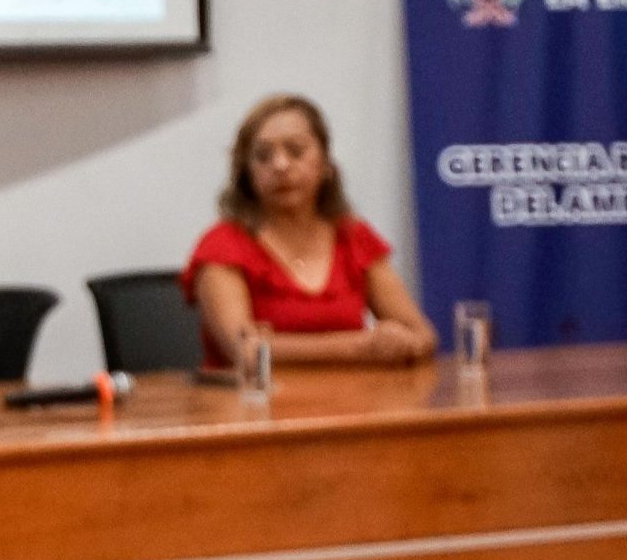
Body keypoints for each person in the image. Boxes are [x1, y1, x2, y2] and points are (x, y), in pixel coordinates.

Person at [181, 93, 438, 367]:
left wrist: (405, 344)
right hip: (252, 405)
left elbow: (423, 335)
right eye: (263, 156)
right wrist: (360, 346)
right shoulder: (223, 245)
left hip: (354, 404)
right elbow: (246, 352)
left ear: (326, 163)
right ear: (247, 173)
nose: (280, 165)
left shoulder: (353, 237)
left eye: (295, 150)